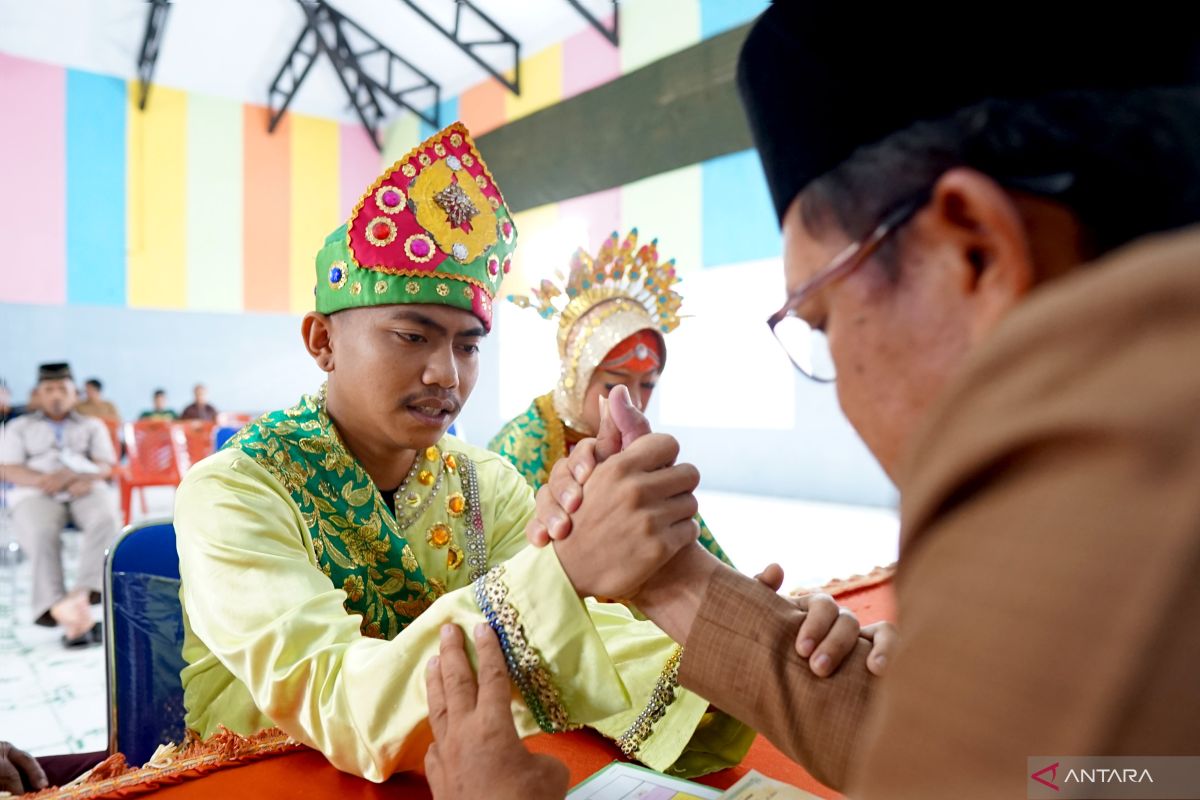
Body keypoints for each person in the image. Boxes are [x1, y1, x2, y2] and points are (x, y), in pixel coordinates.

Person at [428, 8, 1200, 800]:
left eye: (824, 322)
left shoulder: (1104, 526)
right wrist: (667, 579)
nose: (442, 376)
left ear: (975, 250)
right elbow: (1046, 775)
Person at [173, 122, 880, 783]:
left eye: (467, 345)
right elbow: (337, 698)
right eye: (412, 336)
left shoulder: (484, 482)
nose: (447, 375)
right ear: (321, 342)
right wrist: (571, 568)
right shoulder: (234, 492)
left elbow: (590, 636)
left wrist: (745, 646)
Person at [490, 231, 731, 565]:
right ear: (577, 377)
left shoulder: (634, 445)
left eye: (648, 385)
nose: (632, 402)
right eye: (612, 385)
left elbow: (693, 543)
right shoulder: (522, 447)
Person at [0, 362, 118, 647]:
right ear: (37, 394)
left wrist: (80, 476)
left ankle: (76, 599)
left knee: (106, 516)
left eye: (62, 389)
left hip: (83, 488)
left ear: (74, 393)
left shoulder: (93, 425)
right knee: (41, 532)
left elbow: (106, 464)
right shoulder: (18, 427)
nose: (56, 396)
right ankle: (65, 609)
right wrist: (44, 479)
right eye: (48, 390)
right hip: (36, 492)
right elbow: (8, 468)